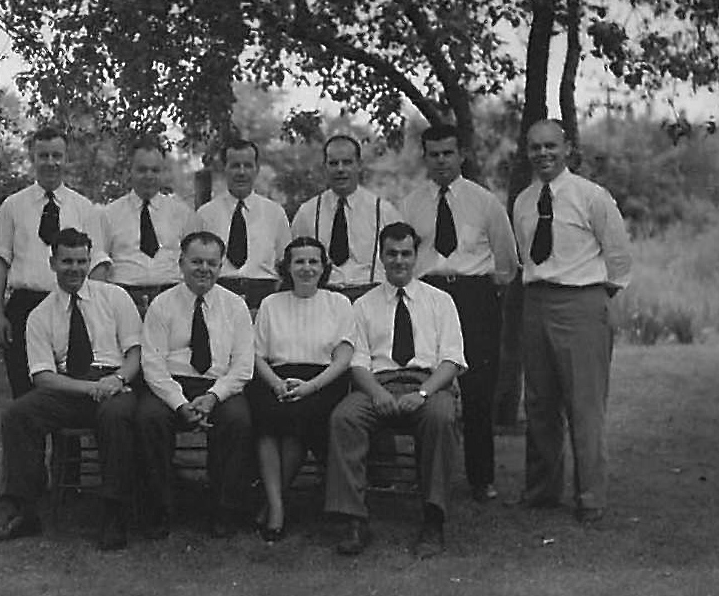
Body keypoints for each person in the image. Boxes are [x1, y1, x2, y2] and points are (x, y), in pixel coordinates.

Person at [0, 228, 143, 551]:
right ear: (52, 262)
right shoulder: (39, 315)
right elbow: (43, 377)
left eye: (82, 261)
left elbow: (135, 353)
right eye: (67, 261)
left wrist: (118, 380)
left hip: (114, 384)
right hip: (71, 388)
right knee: (18, 415)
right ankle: (25, 510)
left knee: (116, 416)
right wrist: (89, 389)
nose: (75, 269)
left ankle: (113, 512)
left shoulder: (115, 298)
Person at [512, 119, 632, 524]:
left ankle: (590, 496)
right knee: (540, 403)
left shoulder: (592, 197)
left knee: (584, 404)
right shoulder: (524, 201)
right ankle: (542, 490)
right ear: (526, 152)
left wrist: (594, 298)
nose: (543, 154)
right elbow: (524, 256)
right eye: (535, 147)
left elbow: (618, 258)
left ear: (567, 149)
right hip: (536, 303)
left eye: (550, 146)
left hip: (582, 303)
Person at [325, 222, 465, 558]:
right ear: (381, 256)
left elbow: (452, 360)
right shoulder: (363, 305)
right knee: (344, 418)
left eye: (406, 253)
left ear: (416, 256)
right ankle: (354, 519)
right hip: (380, 385)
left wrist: (423, 394)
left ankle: (433, 519)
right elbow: (357, 361)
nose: (399, 261)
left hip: (427, 384)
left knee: (441, 417)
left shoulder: (440, 301)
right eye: (392, 253)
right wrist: (377, 394)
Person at [399, 124, 518, 503]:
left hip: (474, 295)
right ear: (425, 157)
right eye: (433, 154)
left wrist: (482, 292)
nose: (441, 160)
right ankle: (428, 476)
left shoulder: (484, 202)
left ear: (461, 154)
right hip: (427, 295)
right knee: (426, 382)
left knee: (478, 388)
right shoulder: (410, 204)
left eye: (448, 153)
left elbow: (507, 260)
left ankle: (481, 478)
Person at [138, 231, 256, 537]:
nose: (204, 268)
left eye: (212, 263)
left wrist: (213, 397)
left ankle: (224, 510)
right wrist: (179, 403)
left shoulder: (235, 307)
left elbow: (243, 366)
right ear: (181, 263)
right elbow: (152, 364)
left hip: (219, 386)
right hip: (171, 384)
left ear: (221, 267)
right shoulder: (162, 305)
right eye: (196, 261)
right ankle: (160, 508)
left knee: (238, 420)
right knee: (149, 418)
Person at [246, 236, 354, 543]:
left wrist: (310, 387)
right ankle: (278, 505)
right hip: (275, 378)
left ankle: (271, 503)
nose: (306, 268)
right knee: (266, 417)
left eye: (313, 261)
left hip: (322, 380)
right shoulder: (271, 303)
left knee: (297, 417)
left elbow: (344, 357)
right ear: (287, 267)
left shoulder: (339, 303)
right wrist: (276, 383)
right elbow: (257, 354)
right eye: (299, 262)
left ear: (324, 267)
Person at [0, 126, 110, 398]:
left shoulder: (84, 208)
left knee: (69, 391)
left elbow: (98, 265)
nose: (51, 163)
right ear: (32, 158)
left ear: (66, 158)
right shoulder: (12, 206)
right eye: (43, 155)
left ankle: (65, 444)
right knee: (24, 390)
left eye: (57, 155)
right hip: (24, 305)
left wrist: (93, 315)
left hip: (68, 307)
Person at [292, 135, 403, 301]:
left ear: (359, 165)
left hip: (370, 297)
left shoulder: (384, 211)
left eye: (347, 162)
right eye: (333, 163)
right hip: (323, 297)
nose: (340, 169)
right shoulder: (307, 212)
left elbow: (400, 260)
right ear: (324, 167)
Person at [101, 137, 198, 314]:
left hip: (172, 301)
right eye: (142, 170)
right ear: (129, 171)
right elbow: (99, 266)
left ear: (162, 172)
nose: (149, 176)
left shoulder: (182, 214)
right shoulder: (108, 215)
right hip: (124, 302)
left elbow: (193, 262)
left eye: (155, 170)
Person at [194, 139, 291, 310]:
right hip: (218, 298)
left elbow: (286, 264)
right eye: (235, 166)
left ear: (257, 169)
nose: (241, 172)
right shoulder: (205, 215)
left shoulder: (275, 213)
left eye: (247, 165)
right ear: (224, 169)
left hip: (264, 300)